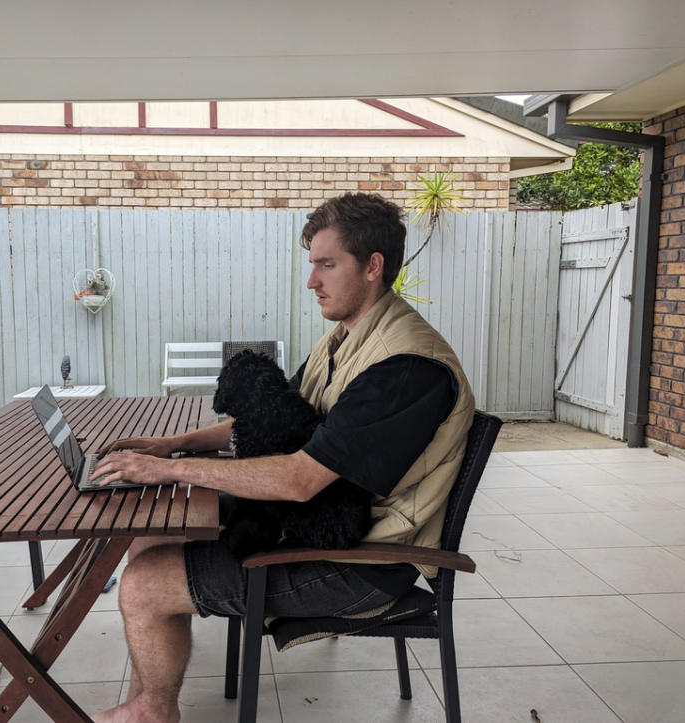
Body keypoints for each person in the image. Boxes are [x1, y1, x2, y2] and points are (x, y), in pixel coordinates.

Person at [92, 192, 475, 723]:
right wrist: (173, 445)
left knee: (143, 583)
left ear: (373, 267)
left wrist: (166, 470)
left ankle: (152, 712)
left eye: (326, 264)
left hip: (361, 562)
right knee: (153, 535)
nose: (312, 280)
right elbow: (270, 422)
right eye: (312, 265)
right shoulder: (345, 337)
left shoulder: (404, 367)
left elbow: (300, 480)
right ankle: (149, 697)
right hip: (320, 529)